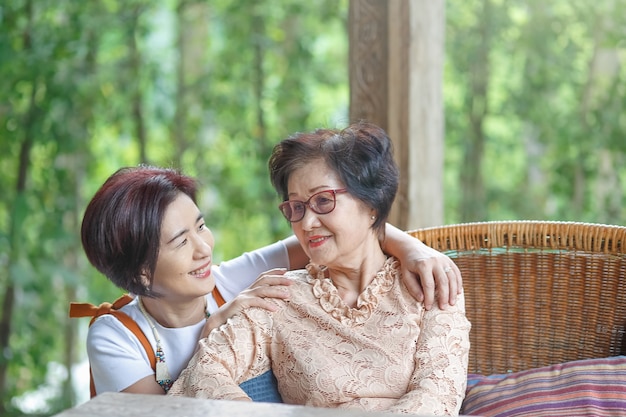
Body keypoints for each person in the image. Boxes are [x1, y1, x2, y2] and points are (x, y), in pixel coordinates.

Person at [76, 164, 463, 397]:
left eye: (201, 226)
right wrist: (214, 329)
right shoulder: (117, 336)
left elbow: (333, 234)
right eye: (181, 242)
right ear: (141, 272)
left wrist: (416, 250)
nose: (204, 249)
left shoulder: (227, 279)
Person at [168, 122, 471, 415]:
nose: (306, 223)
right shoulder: (280, 297)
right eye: (296, 207)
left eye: (323, 200)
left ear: (371, 205)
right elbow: (204, 372)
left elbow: (438, 397)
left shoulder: (429, 285)